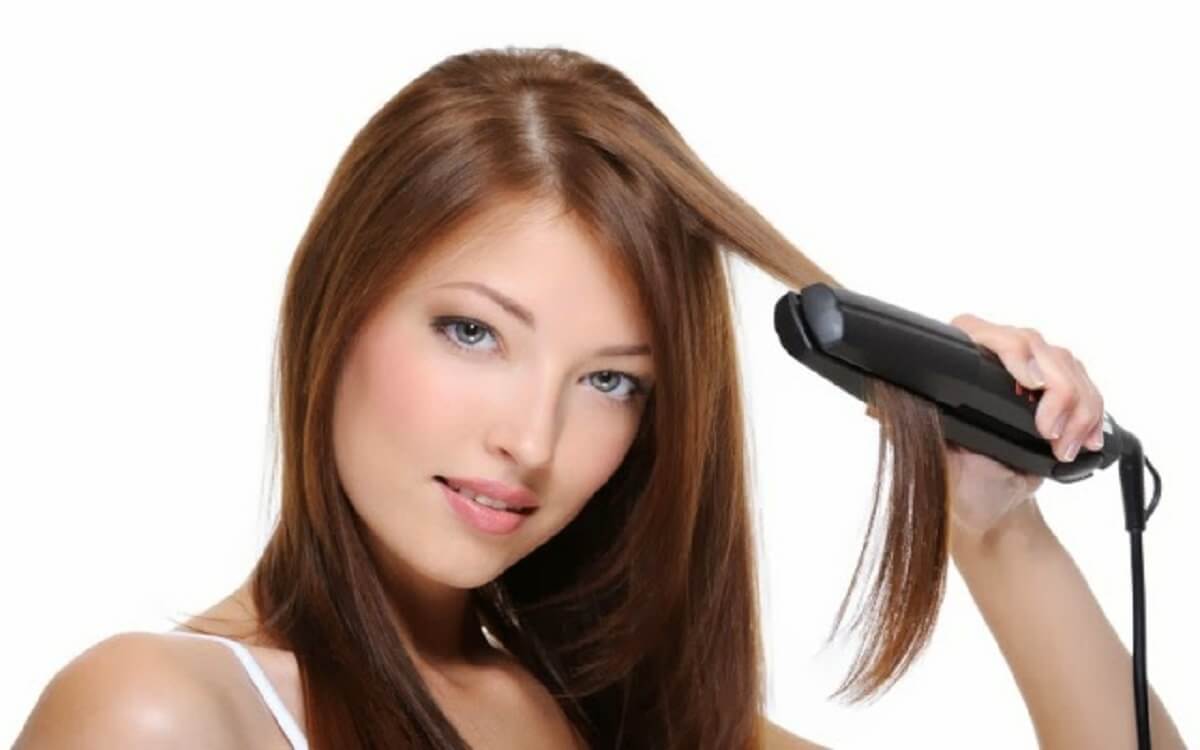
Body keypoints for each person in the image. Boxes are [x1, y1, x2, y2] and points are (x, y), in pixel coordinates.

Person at [14, 46, 1187, 749]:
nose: (531, 439)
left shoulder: (610, 718)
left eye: (610, 380)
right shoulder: (162, 713)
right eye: (473, 332)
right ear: (335, 308)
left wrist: (997, 528)